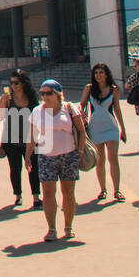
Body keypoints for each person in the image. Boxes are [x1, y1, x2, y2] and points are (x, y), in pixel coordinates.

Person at [26, 79, 85, 242]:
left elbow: (81, 131)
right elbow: (31, 136)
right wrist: (28, 155)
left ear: (58, 94)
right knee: (48, 192)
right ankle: (51, 229)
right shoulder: (37, 111)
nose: (44, 96)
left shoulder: (69, 108)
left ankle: (68, 227)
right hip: (45, 157)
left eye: (48, 93)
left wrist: (80, 150)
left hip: (69, 155)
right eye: (42, 93)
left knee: (68, 191)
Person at [81, 62, 126, 202]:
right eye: (96, 73)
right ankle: (103, 190)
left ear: (106, 74)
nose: (98, 75)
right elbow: (82, 104)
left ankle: (117, 190)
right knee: (100, 161)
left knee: (113, 158)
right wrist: (79, 116)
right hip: (95, 128)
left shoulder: (114, 90)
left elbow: (117, 109)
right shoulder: (89, 89)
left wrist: (123, 129)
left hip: (111, 127)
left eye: (101, 72)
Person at [0, 71, 41, 208]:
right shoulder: (8, 99)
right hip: (11, 141)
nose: (13, 85)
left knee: (33, 168)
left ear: (23, 83)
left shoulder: (31, 98)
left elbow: (38, 117)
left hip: (30, 140)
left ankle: (36, 197)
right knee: (15, 169)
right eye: (11, 83)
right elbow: (0, 117)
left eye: (16, 83)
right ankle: (18, 196)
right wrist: (2, 102)